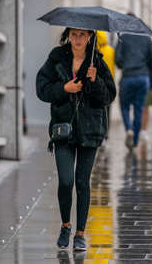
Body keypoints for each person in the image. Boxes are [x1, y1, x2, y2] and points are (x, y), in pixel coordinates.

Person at [36, 28, 116, 251]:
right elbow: (41, 89)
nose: (78, 39)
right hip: (64, 129)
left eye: (82, 35)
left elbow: (109, 96)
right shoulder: (56, 58)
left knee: (82, 182)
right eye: (74, 34)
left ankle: (80, 233)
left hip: (90, 130)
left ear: (90, 37)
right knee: (65, 180)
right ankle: (65, 225)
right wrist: (64, 88)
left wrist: (95, 80)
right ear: (68, 36)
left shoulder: (97, 62)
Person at [115, 13, 152, 152]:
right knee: (139, 108)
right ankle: (134, 141)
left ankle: (129, 129)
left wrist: (124, 65)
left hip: (128, 76)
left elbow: (117, 59)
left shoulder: (123, 37)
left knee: (124, 106)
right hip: (143, 77)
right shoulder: (146, 38)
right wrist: (146, 67)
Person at [96, 31, 116, 141]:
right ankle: (106, 133)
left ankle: (99, 131)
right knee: (107, 110)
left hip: (97, 83)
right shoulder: (111, 50)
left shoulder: (94, 51)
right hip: (108, 83)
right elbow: (113, 67)